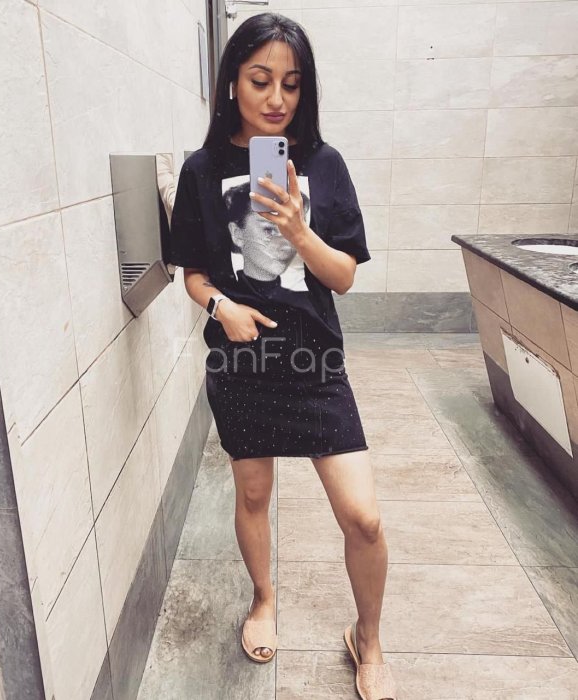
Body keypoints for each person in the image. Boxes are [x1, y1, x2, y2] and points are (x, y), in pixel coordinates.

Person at [168, 12, 397, 700]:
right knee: (253, 492)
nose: (276, 98)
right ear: (231, 83)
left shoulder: (323, 165)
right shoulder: (202, 170)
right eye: (260, 80)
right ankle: (264, 598)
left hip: (313, 362)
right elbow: (193, 273)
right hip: (241, 363)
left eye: (291, 84)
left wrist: (298, 230)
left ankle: (369, 638)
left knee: (364, 517)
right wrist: (223, 308)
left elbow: (343, 276)